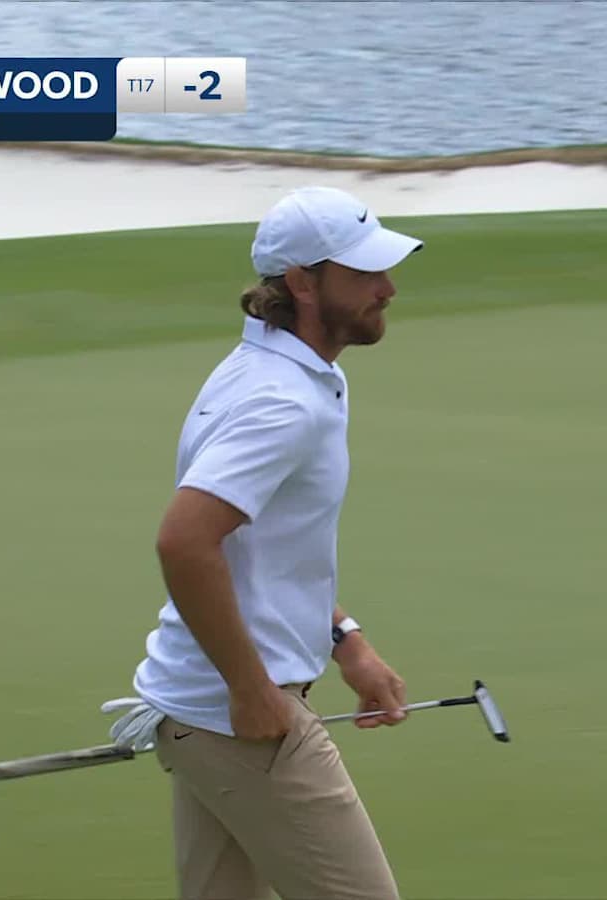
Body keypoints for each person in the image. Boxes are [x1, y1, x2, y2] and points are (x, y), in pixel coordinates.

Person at [104, 186, 425, 900]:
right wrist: (252, 693)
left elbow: (267, 554)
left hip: (202, 716)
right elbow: (185, 541)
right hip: (240, 720)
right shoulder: (282, 400)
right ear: (303, 283)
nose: (388, 288)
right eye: (365, 274)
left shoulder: (284, 374)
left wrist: (347, 640)